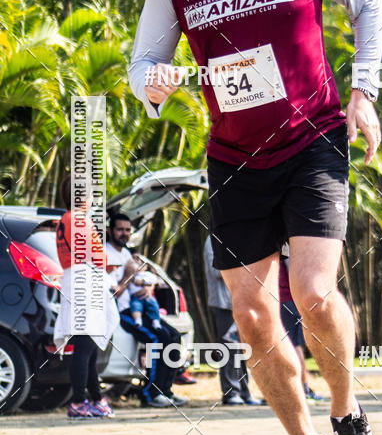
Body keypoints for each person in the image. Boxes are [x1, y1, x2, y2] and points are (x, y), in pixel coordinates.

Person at [129, 0, 382, 435]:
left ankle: (347, 413)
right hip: (235, 156)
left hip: (314, 140)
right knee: (249, 313)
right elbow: (145, 60)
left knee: (314, 290)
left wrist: (365, 92)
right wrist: (149, 83)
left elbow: (368, 1)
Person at [106, 212, 187, 408]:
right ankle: (151, 393)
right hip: (124, 311)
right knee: (158, 339)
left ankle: (166, 391)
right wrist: (128, 275)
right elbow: (113, 292)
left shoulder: (126, 254)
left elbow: (138, 280)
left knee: (174, 337)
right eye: (120, 230)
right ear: (110, 231)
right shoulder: (105, 254)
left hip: (142, 309)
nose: (124, 234)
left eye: (127, 230)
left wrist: (148, 287)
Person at [54, 175, 118, 419]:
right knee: (84, 348)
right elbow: (95, 256)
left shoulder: (65, 219)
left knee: (87, 348)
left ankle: (95, 399)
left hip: (74, 281)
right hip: (85, 283)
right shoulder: (79, 220)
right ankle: (80, 402)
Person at [203, 235, 259, 405]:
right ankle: (230, 393)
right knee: (228, 347)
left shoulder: (233, 235)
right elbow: (215, 270)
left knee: (241, 348)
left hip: (240, 302)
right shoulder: (213, 239)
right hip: (223, 303)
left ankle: (244, 391)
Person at [279, 253, 323, 402]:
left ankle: (302, 387)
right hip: (280, 300)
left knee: (293, 345)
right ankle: (295, 388)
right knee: (290, 345)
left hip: (287, 299)